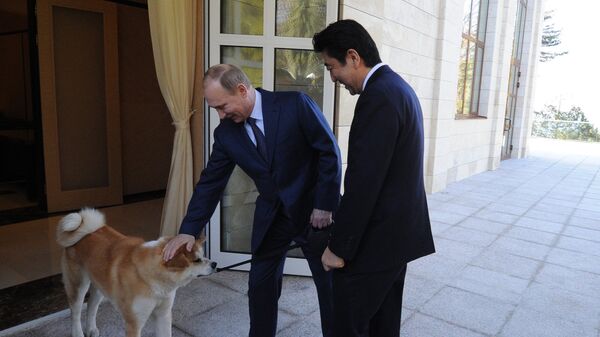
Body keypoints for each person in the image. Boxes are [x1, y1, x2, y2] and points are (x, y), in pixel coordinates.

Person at [162, 64, 341, 337]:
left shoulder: (294, 104)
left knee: (330, 288)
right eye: (216, 109)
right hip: (273, 217)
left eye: (222, 106)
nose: (221, 115)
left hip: (314, 212)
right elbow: (211, 182)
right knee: (260, 286)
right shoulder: (226, 133)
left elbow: (329, 152)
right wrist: (189, 228)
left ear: (242, 90)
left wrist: (325, 205)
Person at [312, 20, 436, 337]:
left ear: (353, 56)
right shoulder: (398, 88)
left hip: (375, 244)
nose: (332, 77)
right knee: (383, 326)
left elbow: (363, 185)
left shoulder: (378, 97)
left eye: (331, 66)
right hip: (395, 241)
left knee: (347, 327)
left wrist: (338, 248)